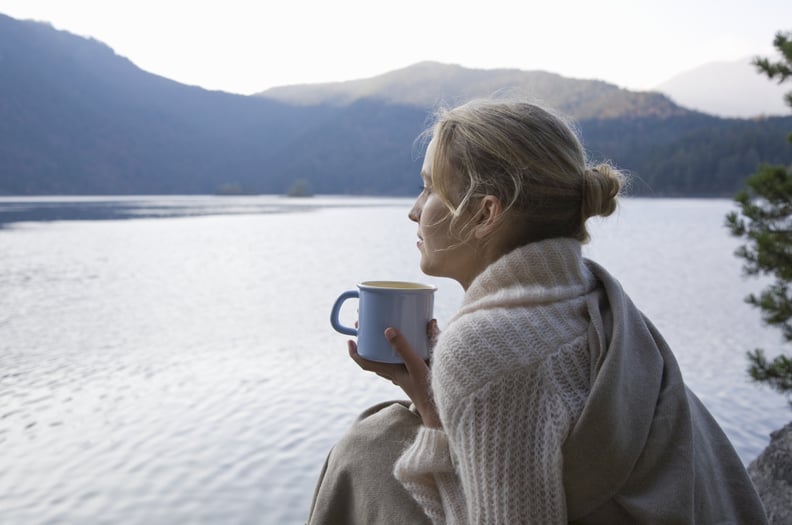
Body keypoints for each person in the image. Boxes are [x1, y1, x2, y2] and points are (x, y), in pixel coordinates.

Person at [307, 99, 768, 524]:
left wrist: (438, 415)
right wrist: (432, 403)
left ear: (485, 214)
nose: (414, 211)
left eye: (429, 189)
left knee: (367, 451)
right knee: (388, 427)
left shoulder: (485, 348)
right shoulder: (591, 297)